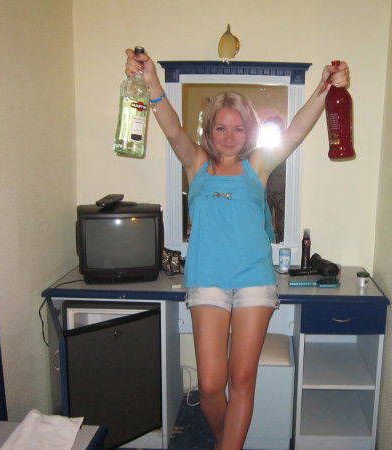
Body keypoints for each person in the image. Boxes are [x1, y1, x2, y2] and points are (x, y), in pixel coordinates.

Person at [124, 49, 349, 450]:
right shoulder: (196, 163)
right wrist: (151, 82)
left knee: (242, 379)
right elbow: (172, 130)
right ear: (209, 131)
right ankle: (224, 441)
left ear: (249, 132)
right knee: (211, 385)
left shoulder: (257, 166)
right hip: (207, 278)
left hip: (253, 280)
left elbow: (296, 131)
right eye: (221, 128)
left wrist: (324, 87)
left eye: (238, 128)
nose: (229, 136)